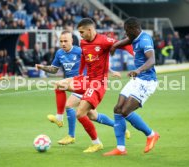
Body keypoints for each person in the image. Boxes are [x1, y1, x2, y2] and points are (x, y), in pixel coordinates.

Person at [39, 18, 132, 153]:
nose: (80, 35)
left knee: (79, 112)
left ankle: (93, 142)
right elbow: (84, 58)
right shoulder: (82, 43)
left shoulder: (104, 40)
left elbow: (122, 44)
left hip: (97, 83)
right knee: (62, 88)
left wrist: (135, 54)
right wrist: (80, 75)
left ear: (89, 30)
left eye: (82, 32)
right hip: (86, 79)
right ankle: (60, 118)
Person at [103, 17, 160, 156]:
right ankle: (121, 149)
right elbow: (128, 41)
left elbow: (152, 60)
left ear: (134, 29)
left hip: (147, 81)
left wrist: (138, 70)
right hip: (137, 79)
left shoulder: (145, 40)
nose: (126, 34)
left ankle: (151, 134)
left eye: (127, 31)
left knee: (125, 111)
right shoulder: (135, 37)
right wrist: (115, 45)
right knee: (117, 109)